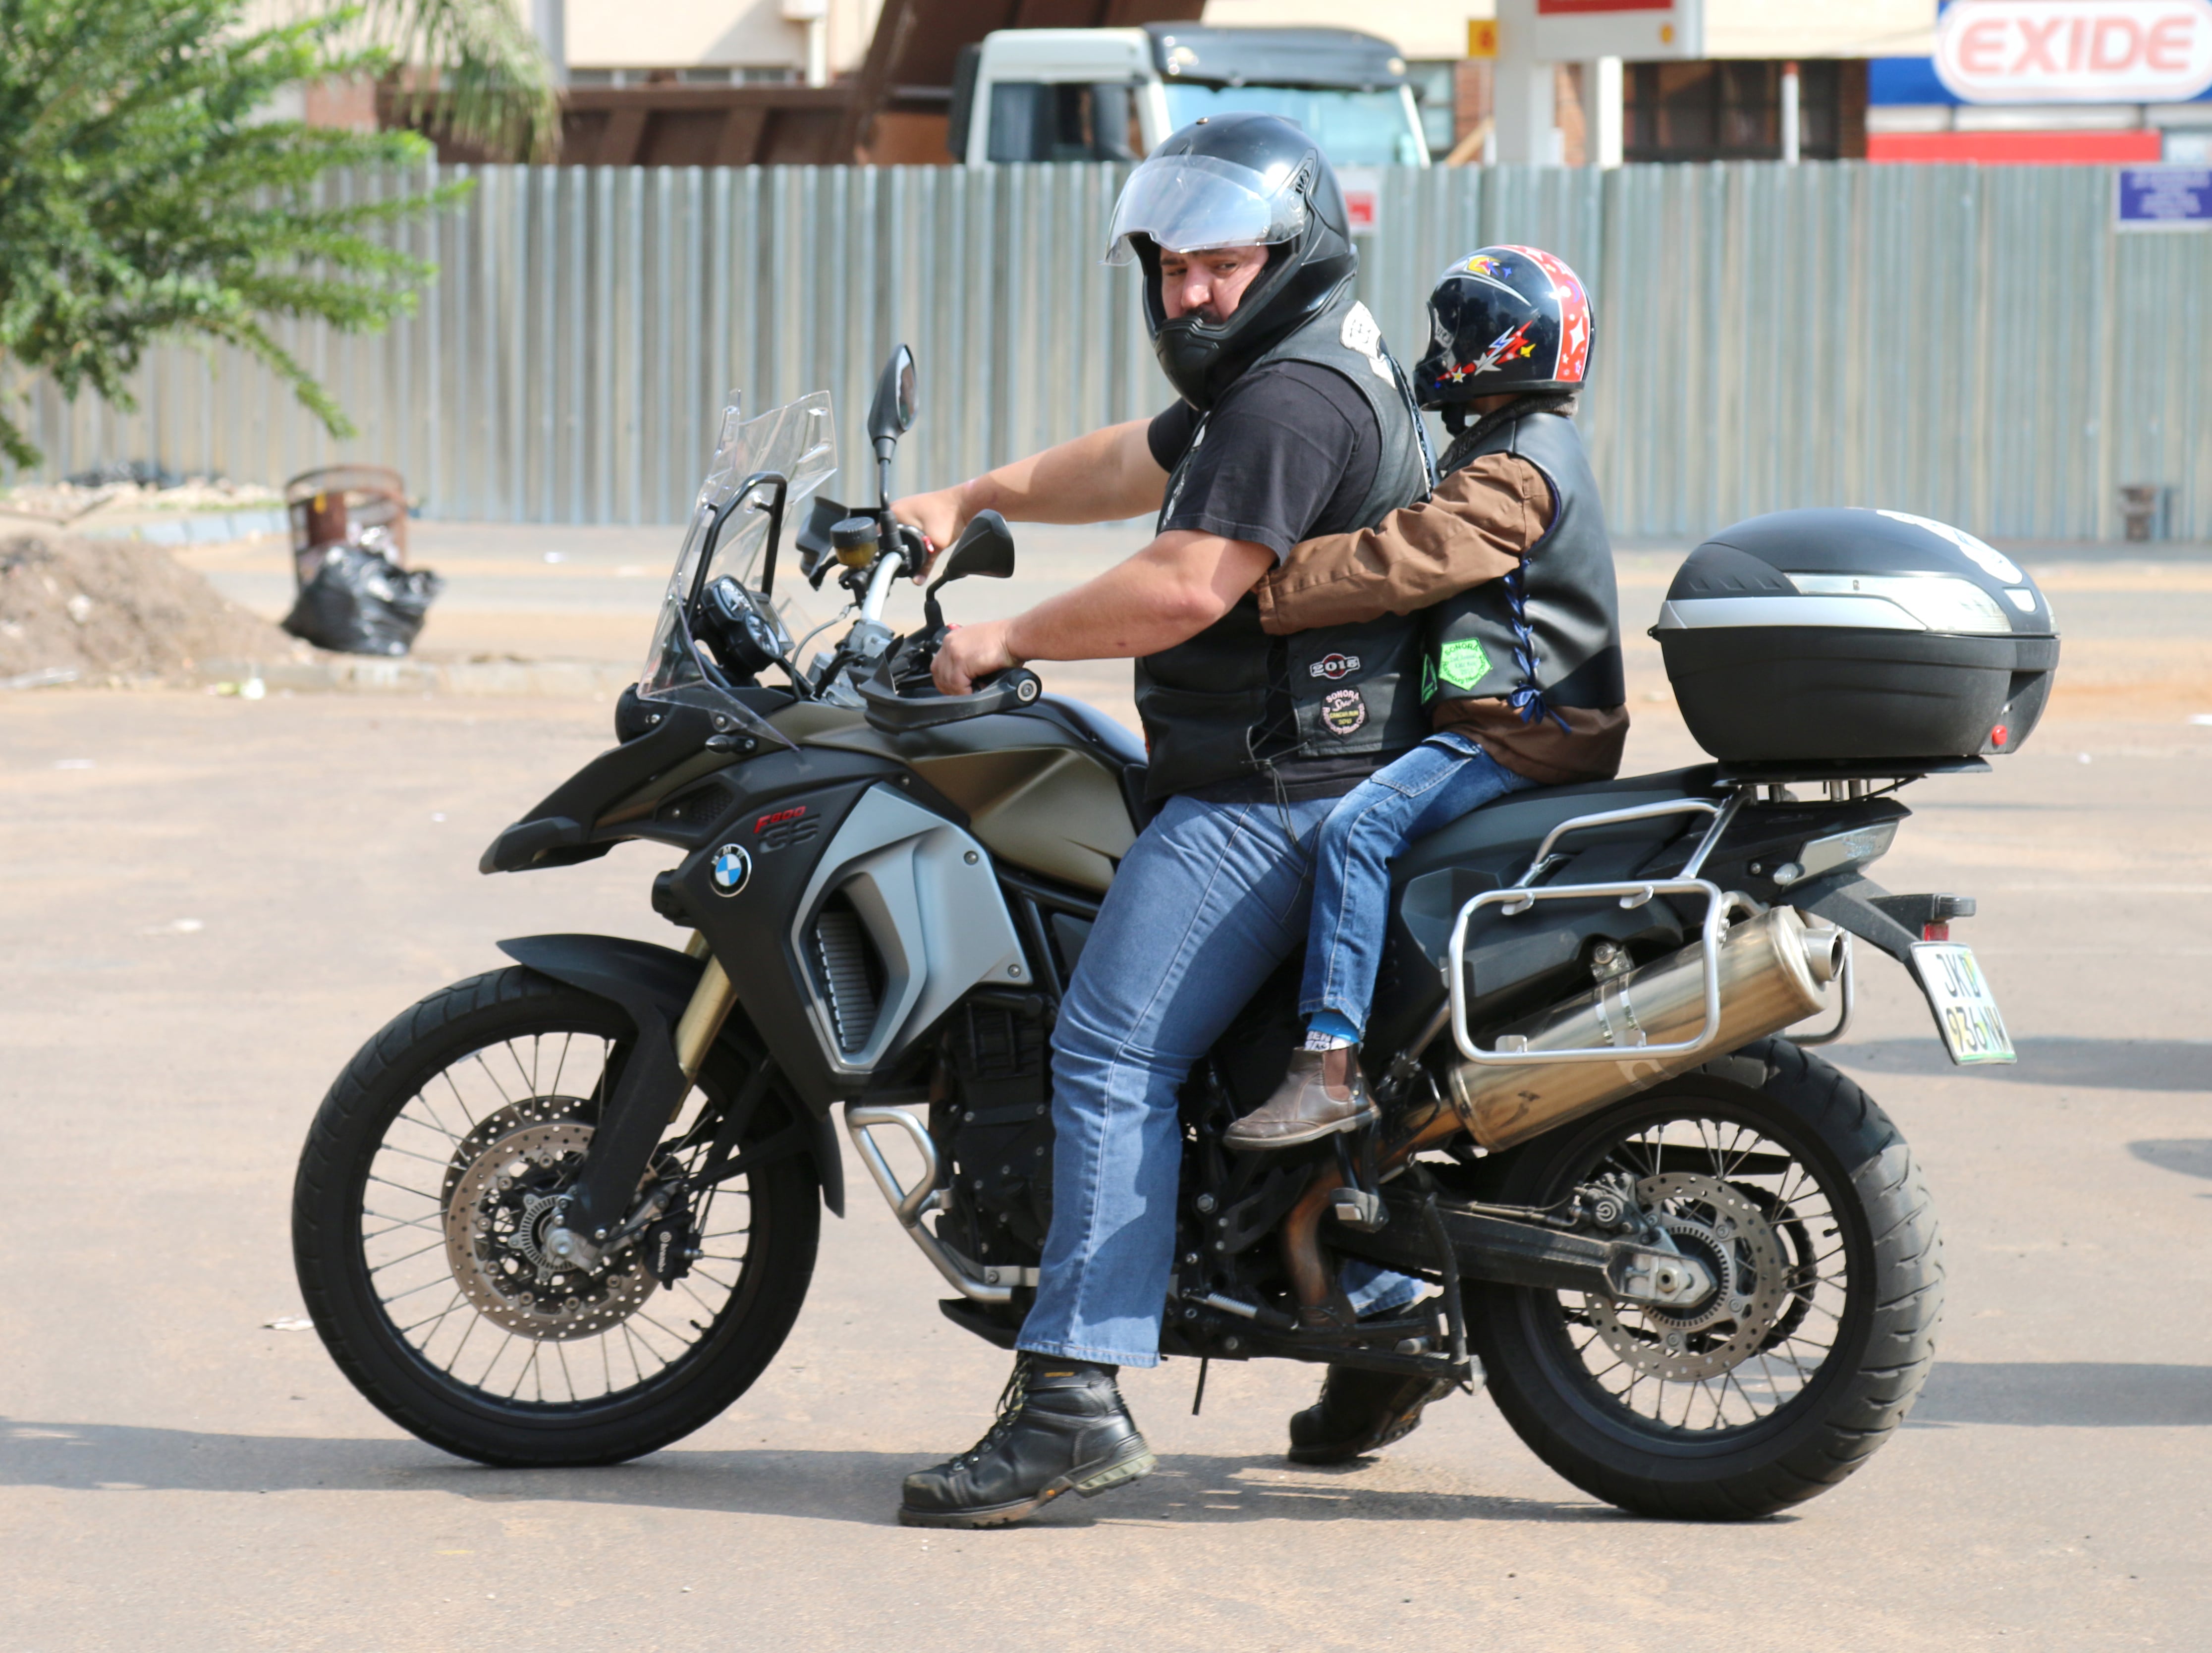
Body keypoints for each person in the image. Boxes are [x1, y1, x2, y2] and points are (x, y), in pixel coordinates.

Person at [888, 112, 1449, 1529]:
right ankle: (1373, 1317)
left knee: (1110, 1044)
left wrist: (1006, 635)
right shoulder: (1283, 371)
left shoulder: (1290, 401)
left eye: (1220, 264)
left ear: (1294, 251)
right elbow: (1136, 463)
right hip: (1312, 768)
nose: (1190, 293)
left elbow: (1187, 583)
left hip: (1279, 792)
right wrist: (976, 493)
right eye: (1168, 267)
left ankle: (1072, 1397)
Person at [1222, 245, 1629, 1151]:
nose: (1438, 349)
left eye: (1456, 334)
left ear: (1501, 349)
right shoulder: (1507, 443)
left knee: (1357, 829)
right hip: (1518, 720)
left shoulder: (1517, 469)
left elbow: (1405, 556)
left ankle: (1328, 1064)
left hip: (1521, 730)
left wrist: (1260, 585)